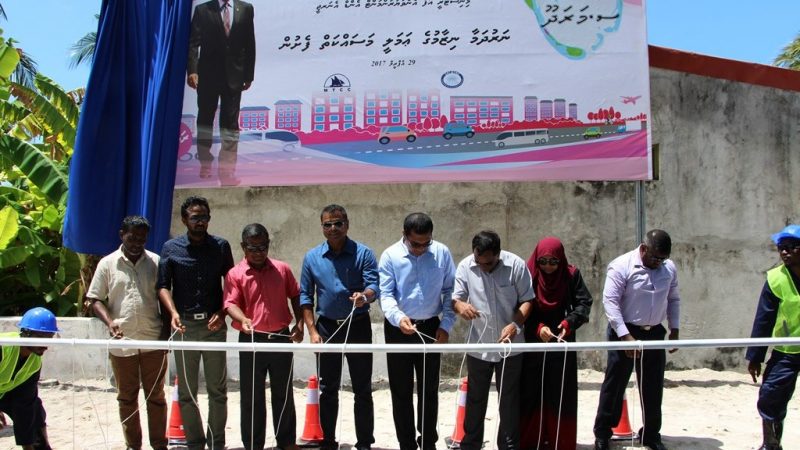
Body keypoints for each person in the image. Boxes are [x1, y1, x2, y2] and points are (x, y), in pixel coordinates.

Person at [157, 196, 234, 450]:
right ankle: (195, 444)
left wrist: (223, 313)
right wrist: (173, 313)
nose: (200, 222)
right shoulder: (170, 248)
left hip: (214, 328)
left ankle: (216, 444)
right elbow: (162, 286)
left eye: (204, 217)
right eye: (195, 217)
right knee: (187, 392)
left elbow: (231, 285)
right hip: (184, 327)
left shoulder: (221, 246)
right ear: (184, 220)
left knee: (217, 391)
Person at [300, 204, 378, 450]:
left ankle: (364, 442)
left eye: (338, 223)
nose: (333, 228)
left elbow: (374, 286)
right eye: (327, 224)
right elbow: (305, 297)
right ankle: (328, 441)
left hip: (358, 326)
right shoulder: (312, 257)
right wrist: (312, 332)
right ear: (322, 226)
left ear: (347, 224)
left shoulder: (363, 253)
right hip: (326, 329)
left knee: (362, 388)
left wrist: (364, 297)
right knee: (327, 388)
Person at [86, 216, 169, 450]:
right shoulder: (107, 263)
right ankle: (133, 445)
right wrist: (110, 322)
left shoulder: (156, 262)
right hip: (122, 342)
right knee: (127, 398)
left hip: (153, 340)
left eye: (141, 239)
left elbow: (165, 297)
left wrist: (165, 333)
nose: (136, 243)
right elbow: (94, 299)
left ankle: (159, 444)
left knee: (156, 396)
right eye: (132, 237)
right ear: (122, 234)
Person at [593, 229, 680, 450]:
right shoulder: (621, 266)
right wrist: (625, 336)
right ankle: (603, 433)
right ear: (643, 249)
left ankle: (651, 434)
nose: (659, 262)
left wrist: (675, 328)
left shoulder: (668, 269)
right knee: (615, 383)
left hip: (654, 333)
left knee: (652, 385)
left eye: (663, 258)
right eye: (655, 257)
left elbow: (673, 298)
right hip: (625, 331)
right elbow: (610, 303)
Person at [378, 213, 456, 450]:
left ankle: (428, 442)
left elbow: (451, 291)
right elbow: (386, 294)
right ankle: (406, 443)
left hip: (431, 328)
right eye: (415, 244)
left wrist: (446, 325)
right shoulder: (390, 256)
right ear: (404, 235)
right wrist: (398, 318)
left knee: (429, 389)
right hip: (398, 329)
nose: (421, 249)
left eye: (426, 243)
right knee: (400, 390)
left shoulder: (441, 252)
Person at [223, 223, 304, 450]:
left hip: (281, 337)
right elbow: (230, 303)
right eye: (253, 248)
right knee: (252, 396)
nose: (258, 253)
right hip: (252, 339)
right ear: (243, 247)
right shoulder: (235, 274)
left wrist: (300, 323)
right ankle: (253, 444)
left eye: (263, 247)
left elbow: (297, 296)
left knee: (283, 393)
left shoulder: (282, 269)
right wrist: (244, 318)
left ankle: (286, 441)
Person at [452, 230, 534, 450]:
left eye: (489, 264)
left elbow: (527, 300)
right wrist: (461, 306)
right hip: (479, 345)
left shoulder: (516, 265)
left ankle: (508, 445)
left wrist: (515, 325)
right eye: (479, 262)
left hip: (511, 347)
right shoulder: (465, 266)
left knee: (509, 398)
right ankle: (471, 444)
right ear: (474, 254)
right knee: (475, 398)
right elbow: (455, 299)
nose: (484, 267)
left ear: (498, 254)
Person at [519, 237, 593, 450]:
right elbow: (522, 304)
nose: (548, 267)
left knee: (560, 390)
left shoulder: (571, 274)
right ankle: (532, 439)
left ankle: (560, 439)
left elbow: (584, 302)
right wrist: (538, 326)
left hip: (562, 338)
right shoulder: (528, 273)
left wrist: (568, 324)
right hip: (534, 339)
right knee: (532, 389)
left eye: (553, 262)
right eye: (543, 261)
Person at [187, 0, 256, 185]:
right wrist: (192, 70)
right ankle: (205, 162)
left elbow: (250, 43)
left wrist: (249, 75)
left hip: (234, 77)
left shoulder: (246, 9)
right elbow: (193, 43)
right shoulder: (203, 10)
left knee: (231, 124)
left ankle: (227, 172)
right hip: (207, 76)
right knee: (205, 120)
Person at [746, 224, 800, 450]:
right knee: (770, 396)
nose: (784, 252)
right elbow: (763, 320)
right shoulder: (776, 278)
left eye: (791, 247)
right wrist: (755, 356)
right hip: (787, 350)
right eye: (781, 248)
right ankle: (771, 443)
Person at [0, 307, 59, 450]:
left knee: (34, 411)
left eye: (49, 337)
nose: (45, 345)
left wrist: (28, 445)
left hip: (6, 392)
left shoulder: (34, 362)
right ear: (25, 334)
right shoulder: (3, 347)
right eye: (40, 337)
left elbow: (26, 403)